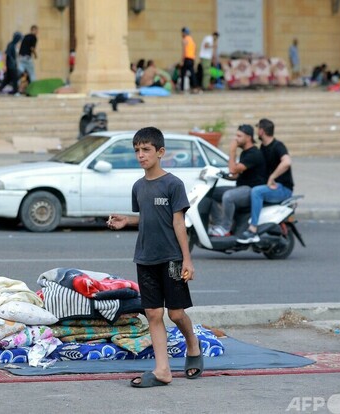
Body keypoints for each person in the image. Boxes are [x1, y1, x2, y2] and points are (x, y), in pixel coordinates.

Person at [107, 126, 203, 388]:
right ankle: (162, 370)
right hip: (145, 258)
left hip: (171, 259)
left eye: (146, 150)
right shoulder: (138, 186)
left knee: (176, 313)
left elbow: (178, 224)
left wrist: (187, 259)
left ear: (160, 152)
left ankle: (192, 345)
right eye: (137, 150)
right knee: (152, 313)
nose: (141, 155)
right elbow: (147, 218)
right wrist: (127, 220)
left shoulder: (173, 184)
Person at [237, 119, 293, 244]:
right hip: (272, 187)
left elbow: (287, 162)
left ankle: (253, 229)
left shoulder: (278, 146)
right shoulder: (263, 147)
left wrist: (272, 177)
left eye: (258, 129)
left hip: (283, 188)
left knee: (257, 192)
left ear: (261, 131)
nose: (257, 132)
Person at [208, 124, 266, 237]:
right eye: (236, 135)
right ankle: (219, 223)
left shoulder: (254, 154)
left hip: (251, 190)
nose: (236, 139)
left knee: (228, 196)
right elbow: (235, 175)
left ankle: (225, 229)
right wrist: (219, 175)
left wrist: (232, 150)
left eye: (239, 136)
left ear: (248, 138)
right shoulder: (245, 152)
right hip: (241, 187)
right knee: (210, 193)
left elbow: (233, 169)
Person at [180, 27, 198, 93]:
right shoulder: (192, 40)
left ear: (184, 33)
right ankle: (195, 87)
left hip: (186, 58)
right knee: (192, 74)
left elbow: (184, 51)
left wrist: (182, 60)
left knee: (182, 74)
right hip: (192, 58)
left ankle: (182, 89)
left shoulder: (185, 40)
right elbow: (195, 50)